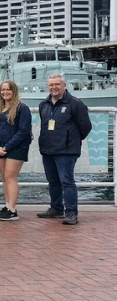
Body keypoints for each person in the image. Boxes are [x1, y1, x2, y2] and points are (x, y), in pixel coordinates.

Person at [37, 73, 92, 225]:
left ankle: (71, 212)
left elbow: (86, 126)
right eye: (51, 85)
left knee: (67, 181)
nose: (54, 87)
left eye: (57, 84)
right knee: (53, 181)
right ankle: (56, 208)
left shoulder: (75, 104)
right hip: (48, 150)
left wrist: (71, 140)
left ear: (64, 85)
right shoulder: (44, 105)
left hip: (66, 151)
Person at [0, 80, 32, 221]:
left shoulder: (22, 108)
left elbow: (23, 131)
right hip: (0, 148)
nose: (5, 92)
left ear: (14, 91)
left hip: (16, 147)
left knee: (10, 177)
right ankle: (8, 205)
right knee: (5, 178)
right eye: (3, 90)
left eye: (8, 89)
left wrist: (7, 146)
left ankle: (12, 210)